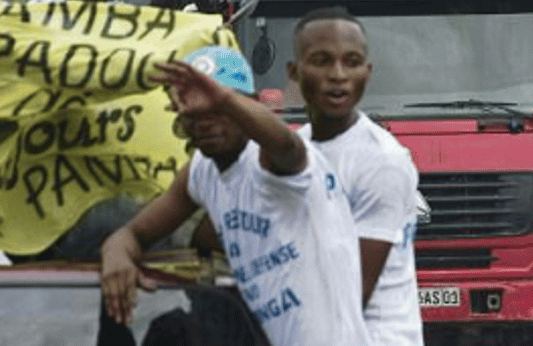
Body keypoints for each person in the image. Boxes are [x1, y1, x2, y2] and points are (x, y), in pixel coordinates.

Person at [100, 46, 373, 346]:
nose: (206, 123)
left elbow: (286, 147)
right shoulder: (202, 171)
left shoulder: (273, 161)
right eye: (195, 113)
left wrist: (226, 99)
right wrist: (117, 255)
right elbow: (133, 235)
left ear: (249, 105)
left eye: (219, 111)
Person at [291, 10, 421, 346]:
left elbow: (351, 294)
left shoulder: (382, 161)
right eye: (321, 60)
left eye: (352, 62)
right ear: (295, 72)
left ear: (368, 72)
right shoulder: (298, 148)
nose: (338, 75)